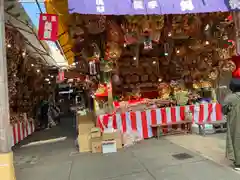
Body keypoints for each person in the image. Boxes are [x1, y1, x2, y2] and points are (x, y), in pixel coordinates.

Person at [223, 78, 240, 170]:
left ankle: (238, 163)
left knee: (236, 141)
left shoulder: (230, 97)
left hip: (235, 123)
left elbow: (224, 110)